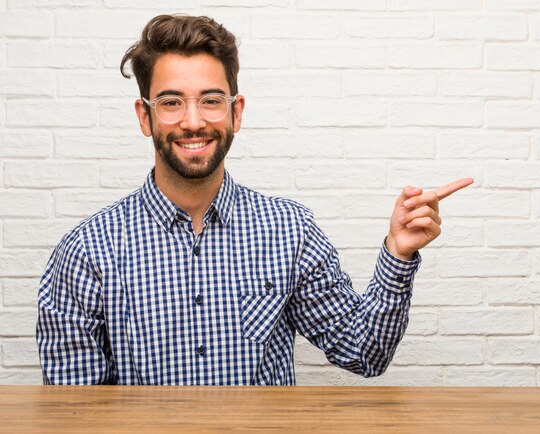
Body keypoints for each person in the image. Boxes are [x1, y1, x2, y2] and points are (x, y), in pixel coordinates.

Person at [36, 14, 473, 385]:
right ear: (145, 116)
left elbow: (364, 353)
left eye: (211, 100)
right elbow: (77, 412)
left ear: (236, 112)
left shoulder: (289, 230)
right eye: (171, 102)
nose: (193, 121)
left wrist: (397, 253)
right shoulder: (86, 251)